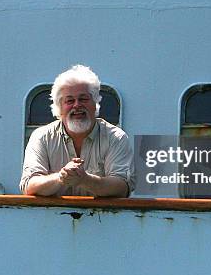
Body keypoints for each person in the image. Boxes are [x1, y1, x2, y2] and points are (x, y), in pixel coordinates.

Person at [20, 65, 134, 197]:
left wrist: (85, 180)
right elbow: (30, 186)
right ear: (59, 108)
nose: (77, 105)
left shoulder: (116, 138)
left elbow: (122, 187)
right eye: (69, 100)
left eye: (83, 99)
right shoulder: (41, 137)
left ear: (95, 103)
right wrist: (61, 177)